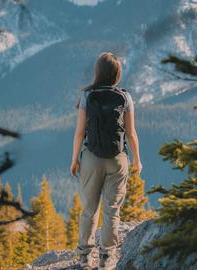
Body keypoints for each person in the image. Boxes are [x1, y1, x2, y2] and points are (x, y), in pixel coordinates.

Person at [70, 52, 142, 270]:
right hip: (118, 159)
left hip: (91, 158)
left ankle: (84, 257)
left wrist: (75, 160)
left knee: (89, 209)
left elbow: (80, 132)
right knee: (112, 210)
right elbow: (131, 133)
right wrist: (137, 160)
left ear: (98, 71)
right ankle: (106, 258)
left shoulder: (87, 96)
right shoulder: (125, 97)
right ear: (117, 74)